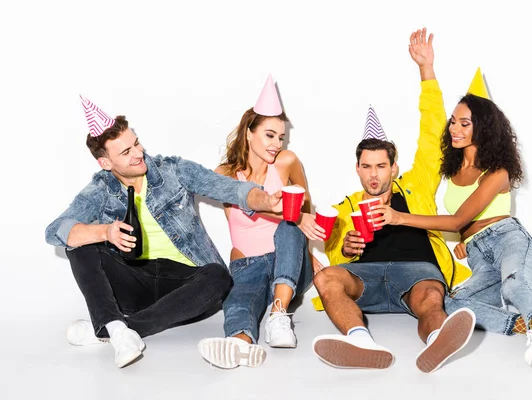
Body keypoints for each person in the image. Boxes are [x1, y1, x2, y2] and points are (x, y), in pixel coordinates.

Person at [45, 96, 284, 369]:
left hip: (186, 286)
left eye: (136, 143)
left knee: (219, 277)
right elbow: (56, 230)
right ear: (106, 163)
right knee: (79, 241)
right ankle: (116, 327)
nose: (138, 153)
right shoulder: (100, 190)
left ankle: (113, 330)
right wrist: (104, 232)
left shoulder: (173, 169)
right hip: (135, 285)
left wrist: (266, 201)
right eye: (125, 152)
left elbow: (229, 189)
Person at [367, 73, 532, 367]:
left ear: (484, 129)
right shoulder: (451, 169)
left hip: (508, 240)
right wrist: (466, 239)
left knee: (514, 285)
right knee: (451, 303)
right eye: (453, 121)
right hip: (478, 255)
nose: (455, 128)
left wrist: (400, 217)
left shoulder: (498, 170)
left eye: (465, 123)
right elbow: (463, 224)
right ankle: (530, 324)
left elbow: (458, 219)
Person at [312, 28, 476, 374]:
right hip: (364, 276)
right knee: (326, 278)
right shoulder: (344, 207)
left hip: (417, 273)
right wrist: (347, 247)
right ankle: (361, 342)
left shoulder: (416, 185)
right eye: (367, 167)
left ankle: (437, 342)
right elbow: (335, 255)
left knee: (432, 297)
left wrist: (426, 71)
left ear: (393, 167)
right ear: (357, 169)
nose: (374, 175)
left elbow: (433, 136)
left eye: (381, 166)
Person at [198, 75, 322, 369]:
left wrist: (308, 255)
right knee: (239, 301)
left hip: (288, 263)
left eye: (280, 137)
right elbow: (246, 201)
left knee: (289, 223)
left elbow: (303, 213)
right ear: (249, 134)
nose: (277, 144)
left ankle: (279, 316)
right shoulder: (225, 174)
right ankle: (239, 345)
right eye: (270, 135)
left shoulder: (286, 162)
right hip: (247, 265)